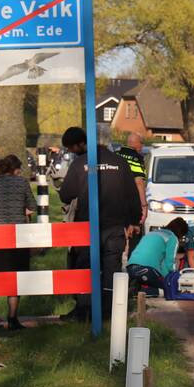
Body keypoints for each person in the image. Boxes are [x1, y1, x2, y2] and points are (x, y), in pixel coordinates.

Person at [58, 126, 141, 321]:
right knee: (111, 269)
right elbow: (132, 194)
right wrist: (134, 220)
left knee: (85, 268)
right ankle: (108, 312)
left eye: (72, 147)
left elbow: (66, 194)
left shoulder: (80, 164)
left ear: (83, 143)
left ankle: (84, 311)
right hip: (114, 228)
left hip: (87, 229)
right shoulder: (119, 163)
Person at [0, 154, 35, 331]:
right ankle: (12, 319)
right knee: (16, 278)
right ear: (15, 168)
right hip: (17, 236)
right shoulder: (22, 182)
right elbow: (32, 206)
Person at [126, 218, 188, 294]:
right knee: (168, 289)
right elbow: (169, 263)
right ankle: (138, 290)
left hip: (130, 268)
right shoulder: (172, 238)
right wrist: (173, 279)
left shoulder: (151, 233)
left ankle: (137, 285)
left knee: (151, 280)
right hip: (146, 270)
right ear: (181, 233)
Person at [115, 132, 148, 252]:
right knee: (135, 234)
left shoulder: (116, 154)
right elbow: (139, 182)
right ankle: (132, 262)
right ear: (137, 144)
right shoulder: (137, 158)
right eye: (142, 143)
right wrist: (144, 205)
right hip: (131, 202)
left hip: (114, 201)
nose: (142, 147)